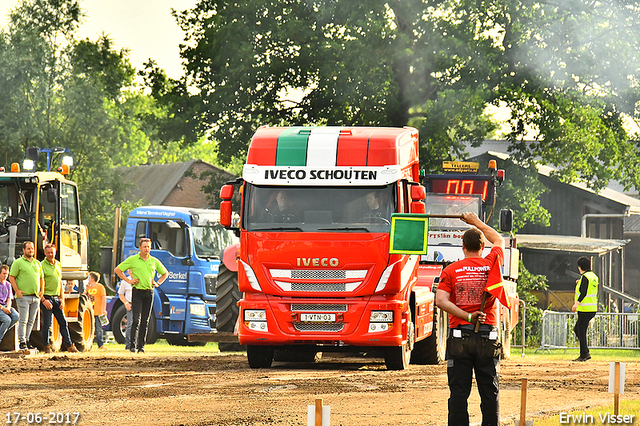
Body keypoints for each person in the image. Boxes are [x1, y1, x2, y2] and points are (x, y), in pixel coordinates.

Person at [436, 212, 505, 426]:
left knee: (458, 394)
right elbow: (499, 239)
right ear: (483, 247)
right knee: (489, 392)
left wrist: (467, 315)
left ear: (462, 246)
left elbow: (441, 301)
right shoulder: (491, 263)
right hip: (487, 336)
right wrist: (476, 222)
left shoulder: (451, 270)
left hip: (459, 338)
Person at [114, 238, 168, 353]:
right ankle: (132, 346)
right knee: (136, 320)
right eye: (144, 247)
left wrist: (158, 283)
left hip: (149, 292)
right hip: (137, 292)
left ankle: (141, 346)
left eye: (148, 247)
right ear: (140, 248)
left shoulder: (154, 261)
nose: (147, 249)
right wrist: (128, 281)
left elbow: (165, 273)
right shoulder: (133, 260)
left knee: (145, 321)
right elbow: (117, 270)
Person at [40, 244, 78, 353]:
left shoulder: (58, 265)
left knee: (63, 322)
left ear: (55, 252)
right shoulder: (41, 265)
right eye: (48, 253)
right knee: (47, 324)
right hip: (46, 298)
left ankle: (70, 345)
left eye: (52, 252)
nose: (51, 254)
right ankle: (46, 346)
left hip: (56, 298)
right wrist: (43, 299)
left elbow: (60, 283)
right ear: (45, 253)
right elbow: (38, 284)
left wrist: (62, 298)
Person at [9, 241, 44, 353]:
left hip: (35, 297)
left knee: (31, 321)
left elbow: (41, 278)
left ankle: (27, 340)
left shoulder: (37, 263)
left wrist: (41, 291)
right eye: (28, 249)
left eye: (32, 248)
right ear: (23, 250)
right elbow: (11, 277)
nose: (31, 251)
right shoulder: (18, 262)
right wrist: (17, 291)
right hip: (23, 296)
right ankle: (22, 341)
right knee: (23, 320)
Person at [572, 256, 598, 362]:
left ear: (580, 267)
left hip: (585, 309)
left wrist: (576, 304)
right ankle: (585, 351)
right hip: (592, 308)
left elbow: (584, 292)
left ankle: (584, 354)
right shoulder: (593, 276)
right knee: (578, 330)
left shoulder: (585, 277)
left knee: (580, 331)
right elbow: (589, 288)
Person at [85, 271, 107, 350]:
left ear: (93, 279)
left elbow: (103, 298)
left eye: (89, 278)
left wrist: (104, 309)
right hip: (90, 312)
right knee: (90, 328)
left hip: (98, 311)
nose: (88, 279)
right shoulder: (88, 287)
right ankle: (89, 344)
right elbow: (84, 296)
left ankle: (100, 344)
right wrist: (86, 289)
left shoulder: (100, 287)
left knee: (98, 328)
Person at [0, 264, 20, 344]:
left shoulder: (8, 285)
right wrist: (3, 308)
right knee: (7, 320)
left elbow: (9, 298)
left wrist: (8, 308)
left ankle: (3, 332)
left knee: (16, 316)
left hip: (5, 306)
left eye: (7, 274)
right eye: (4, 273)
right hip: (0, 307)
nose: (6, 276)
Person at [117, 277, 133, 350]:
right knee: (130, 324)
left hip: (139, 304)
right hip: (130, 304)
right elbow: (121, 294)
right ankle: (128, 344)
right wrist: (126, 303)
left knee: (139, 324)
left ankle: (137, 343)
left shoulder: (140, 279)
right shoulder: (125, 281)